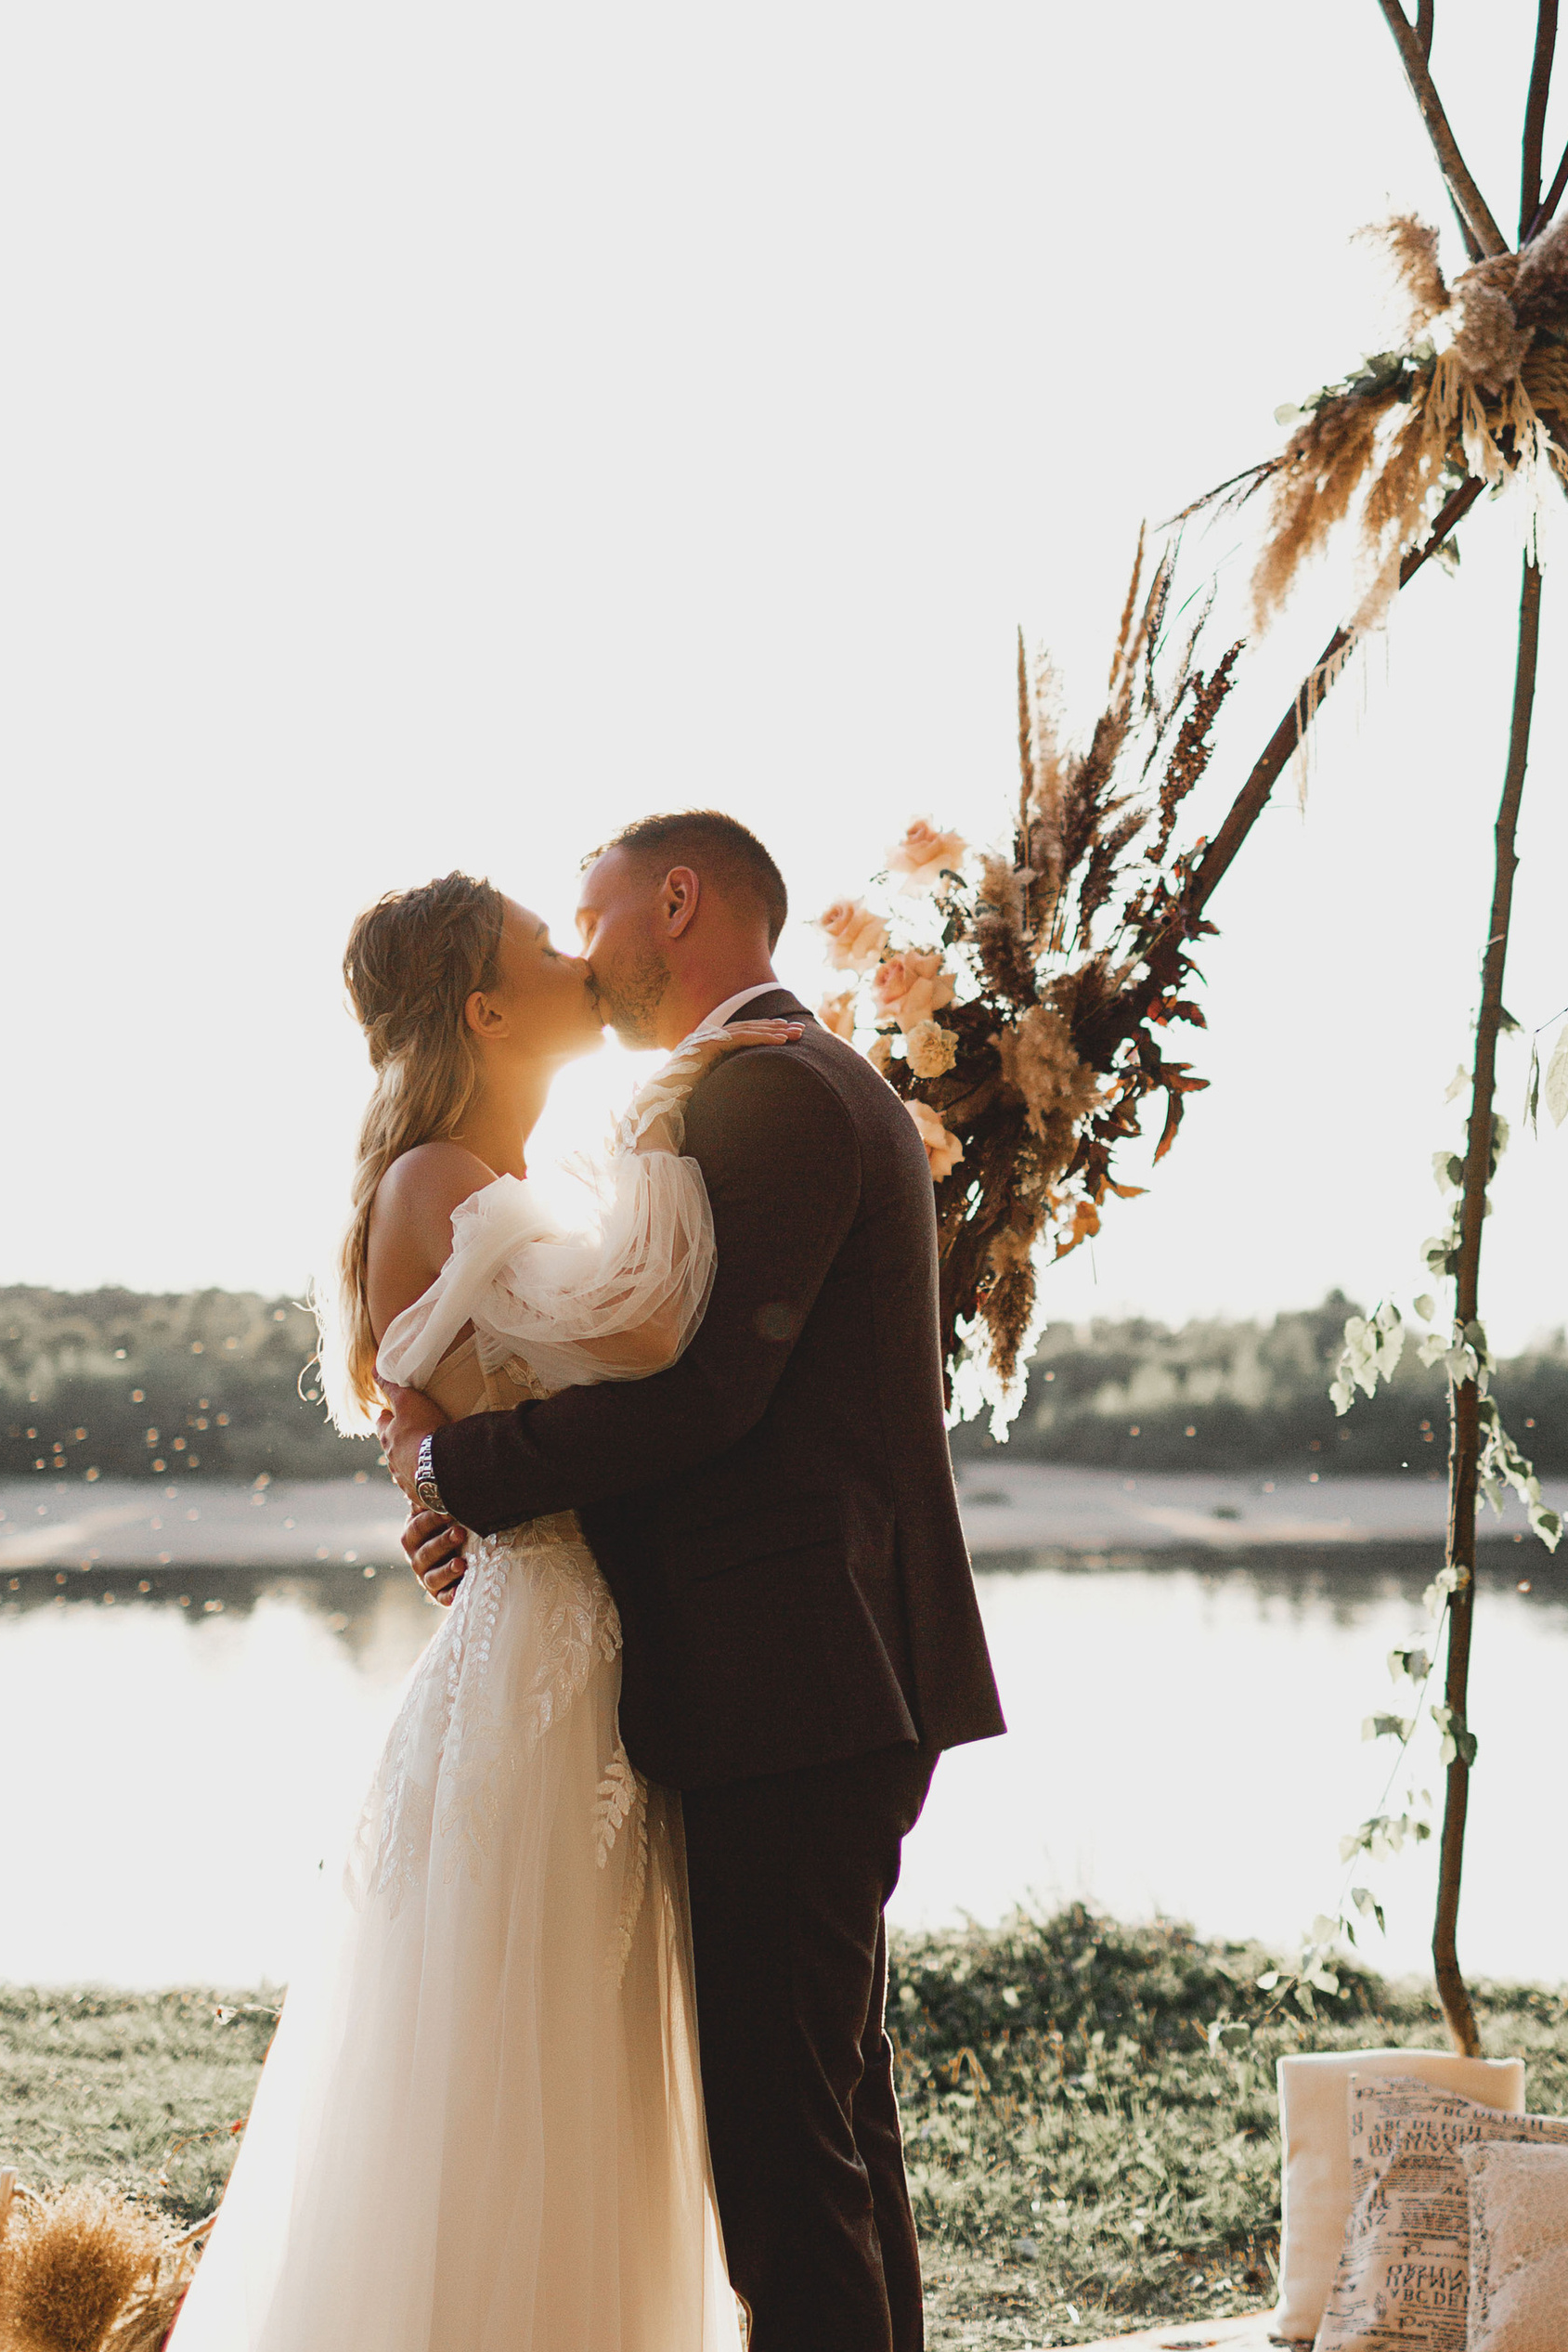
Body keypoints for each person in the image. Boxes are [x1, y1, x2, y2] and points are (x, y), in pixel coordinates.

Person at [382, 811, 1004, 2352]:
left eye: (589, 915)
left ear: (676, 899)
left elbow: (707, 1397)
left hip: (802, 1677)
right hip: (811, 1671)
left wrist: (461, 1478)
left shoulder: (773, 1092)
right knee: (828, 2118)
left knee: (785, 2147)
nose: (581, 957)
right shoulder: (767, 1086)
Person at [169, 867, 790, 2351]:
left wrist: (444, 1479)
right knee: (530, 2058)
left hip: (575, 1642)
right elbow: (644, 1326)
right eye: (541, 941)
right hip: (540, 1670)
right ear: (489, 1008)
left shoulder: (492, 1180)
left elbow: (515, 1414)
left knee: (586, 2066)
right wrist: (677, 1104)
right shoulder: (440, 1181)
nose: (582, 954)